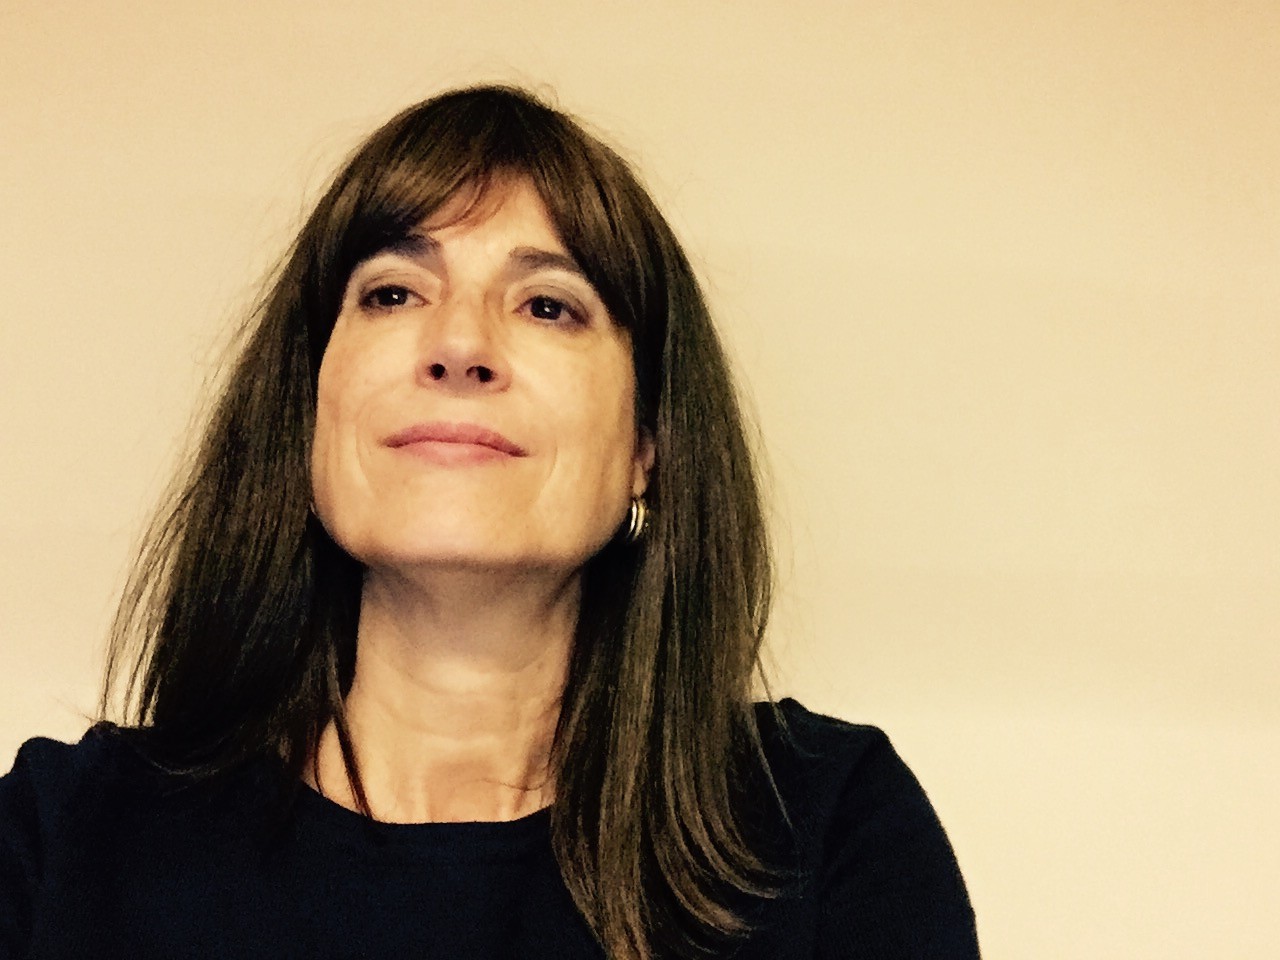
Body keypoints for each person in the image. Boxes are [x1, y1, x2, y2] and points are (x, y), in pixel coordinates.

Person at [0, 85, 979, 959]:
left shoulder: (824, 828)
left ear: (647, 444)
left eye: (548, 305)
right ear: (306, 415)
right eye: (392, 292)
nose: (460, 342)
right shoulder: (62, 833)